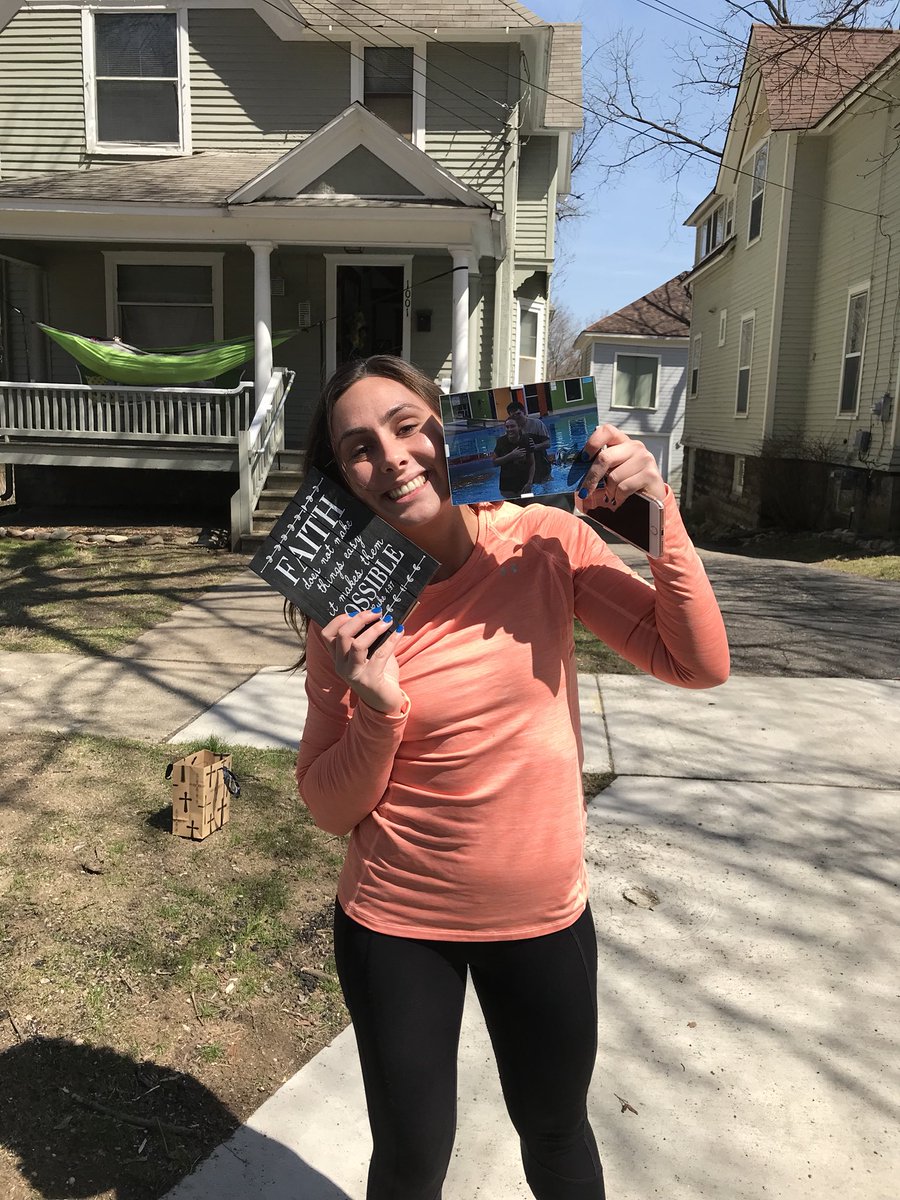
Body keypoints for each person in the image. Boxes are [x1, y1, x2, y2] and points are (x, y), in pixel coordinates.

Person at [292, 355, 729, 1200]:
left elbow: (697, 663)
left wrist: (657, 516)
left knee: (557, 1137)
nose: (391, 459)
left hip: (541, 918)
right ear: (343, 478)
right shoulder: (344, 609)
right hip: (397, 925)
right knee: (412, 1159)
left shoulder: (546, 543)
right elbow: (327, 805)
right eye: (358, 449)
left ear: (450, 427)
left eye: (407, 427)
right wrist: (378, 709)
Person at [492, 415, 538, 497]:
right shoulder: (501, 441)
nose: (509, 429)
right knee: (511, 503)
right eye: (507, 427)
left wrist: (530, 482)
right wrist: (511, 455)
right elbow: (494, 462)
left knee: (527, 502)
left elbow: (532, 463)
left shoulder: (526, 440)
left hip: (524, 484)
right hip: (507, 486)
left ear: (519, 427)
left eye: (512, 426)